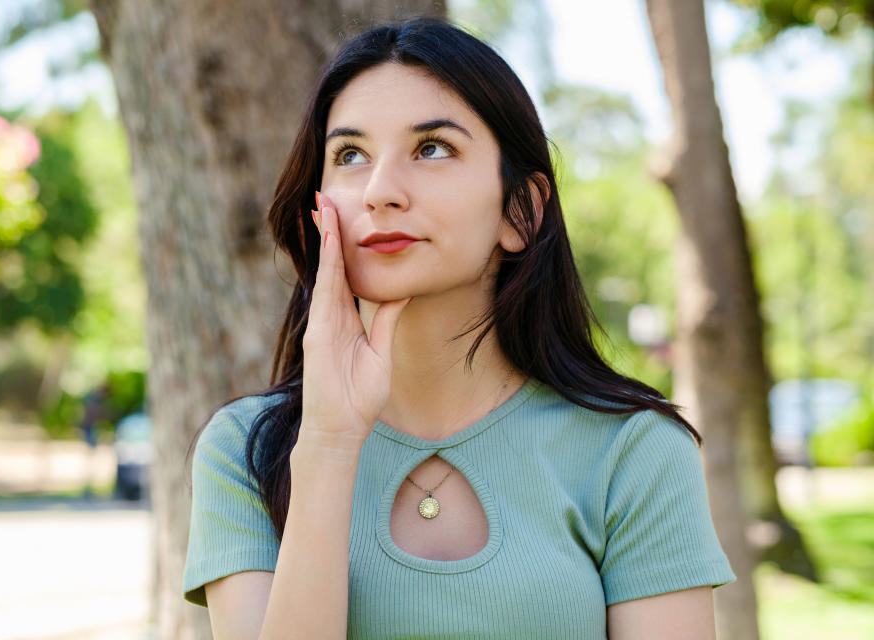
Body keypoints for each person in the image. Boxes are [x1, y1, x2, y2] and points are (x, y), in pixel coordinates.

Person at [182, 16, 735, 639]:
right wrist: (330, 444)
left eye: (432, 148)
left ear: (520, 211)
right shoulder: (245, 452)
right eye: (351, 155)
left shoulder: (634, 453)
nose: (381, 190)